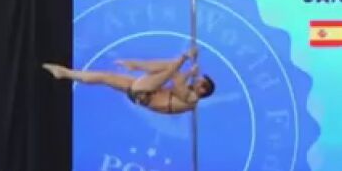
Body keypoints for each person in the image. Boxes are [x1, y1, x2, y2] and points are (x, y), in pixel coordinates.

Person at [42, 48, 215, 115]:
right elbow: (177, 82)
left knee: (171, 68)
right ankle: (64, 73)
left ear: (203, 91)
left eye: (200, 82)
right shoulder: (188, 93)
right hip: (145, 91)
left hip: (144, 94)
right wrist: (188, 71)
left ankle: (135, 64)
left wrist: (185, 58)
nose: (196, 80)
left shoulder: (192, 100)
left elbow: (176, 81)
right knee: (104, 77)